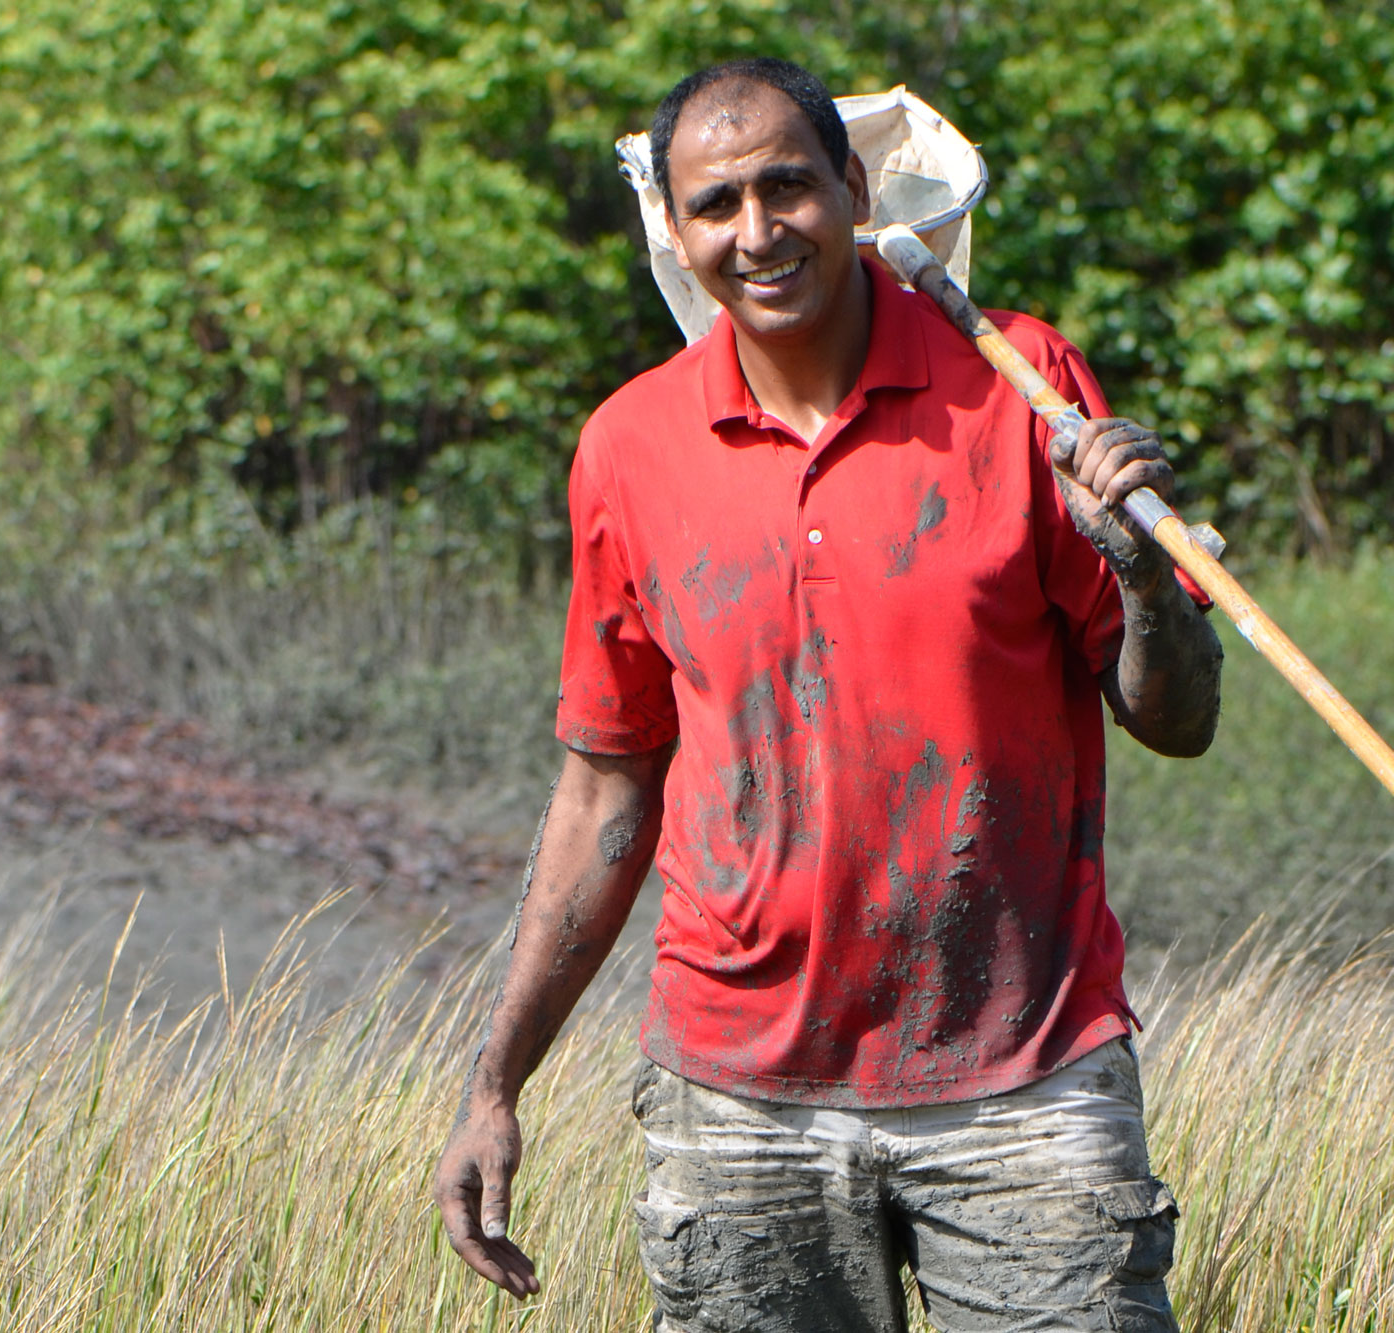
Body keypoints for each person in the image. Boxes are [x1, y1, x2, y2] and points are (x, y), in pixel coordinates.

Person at [432, 56, 1223, 1333]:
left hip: (1020, 1086)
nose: (755, 233)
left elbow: (1176, 720)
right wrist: (495, 1084)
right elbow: (608, 784)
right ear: (674, 230)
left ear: (853, 190)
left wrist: (1136, 566)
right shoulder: (629, 448)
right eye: (715, 204)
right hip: (736, 1104)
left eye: (788, 188)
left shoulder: (1018, 385)